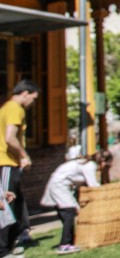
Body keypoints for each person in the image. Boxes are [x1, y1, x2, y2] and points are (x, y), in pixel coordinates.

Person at [40, 150, 112, 255]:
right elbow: (93, 184)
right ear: (102, 160)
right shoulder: (90, 165)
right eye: (107, 162)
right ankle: (64, 245)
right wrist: (107, 191)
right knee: (69, 212)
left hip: (58, 184)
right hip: (60, 185)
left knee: (67, 214)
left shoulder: (85, 162)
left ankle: (70, 242)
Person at [0, 79, 39, 256]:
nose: (33, 102)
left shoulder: (6, 107)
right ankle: (4, 248)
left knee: (17, 200)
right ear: (25, 93)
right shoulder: (16, 108)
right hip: (6, 161)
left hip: (8, 161)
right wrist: (24, 155)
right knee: (6, 204)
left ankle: (20, 235)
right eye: (34, 98)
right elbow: (10, 137)